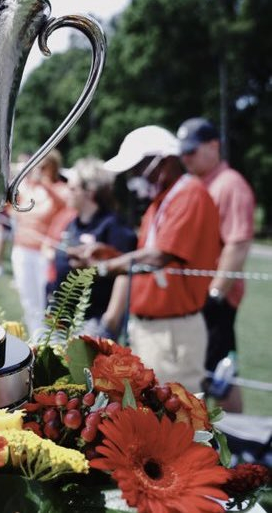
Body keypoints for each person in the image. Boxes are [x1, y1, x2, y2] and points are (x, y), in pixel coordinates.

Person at [73, 126, 221, 391]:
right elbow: (146, 259)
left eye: (138, 168)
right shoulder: (163, 200)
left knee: (177, 418)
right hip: (153, 329)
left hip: (171, 331)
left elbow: (158, 257)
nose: (133, 177)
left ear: (163, 161)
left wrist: (106, 266)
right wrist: (105, 253)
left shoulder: (189, 194)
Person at [178, 117, 255, 412]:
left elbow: (238, 244)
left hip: (214, 299)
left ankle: (240, 441)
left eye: (192, 151)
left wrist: (215, 293)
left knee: (219, 373)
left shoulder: (230, 184)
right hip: (198, 296)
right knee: (205, 370)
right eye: (183, 152)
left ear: (214, 146)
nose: (186, 158)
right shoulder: (200, 184)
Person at [50, 159, 137, 336]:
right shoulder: (74, 223)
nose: (67, 192)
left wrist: (110, 320)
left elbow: (124, 274)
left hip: (92, 322)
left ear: (90, 192)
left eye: (73, 188)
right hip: (62, 319)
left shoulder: (114, 226)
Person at [11, 149, 67, 337]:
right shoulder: (27, 187)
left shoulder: (59, 189)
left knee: (46, 300)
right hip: (22, 249)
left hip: (43, 253)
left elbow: (64, 203)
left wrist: (44, 183)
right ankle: (36, 337)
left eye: (43, 166)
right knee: (28, 298)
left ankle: (48, 340)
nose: (39, 170)